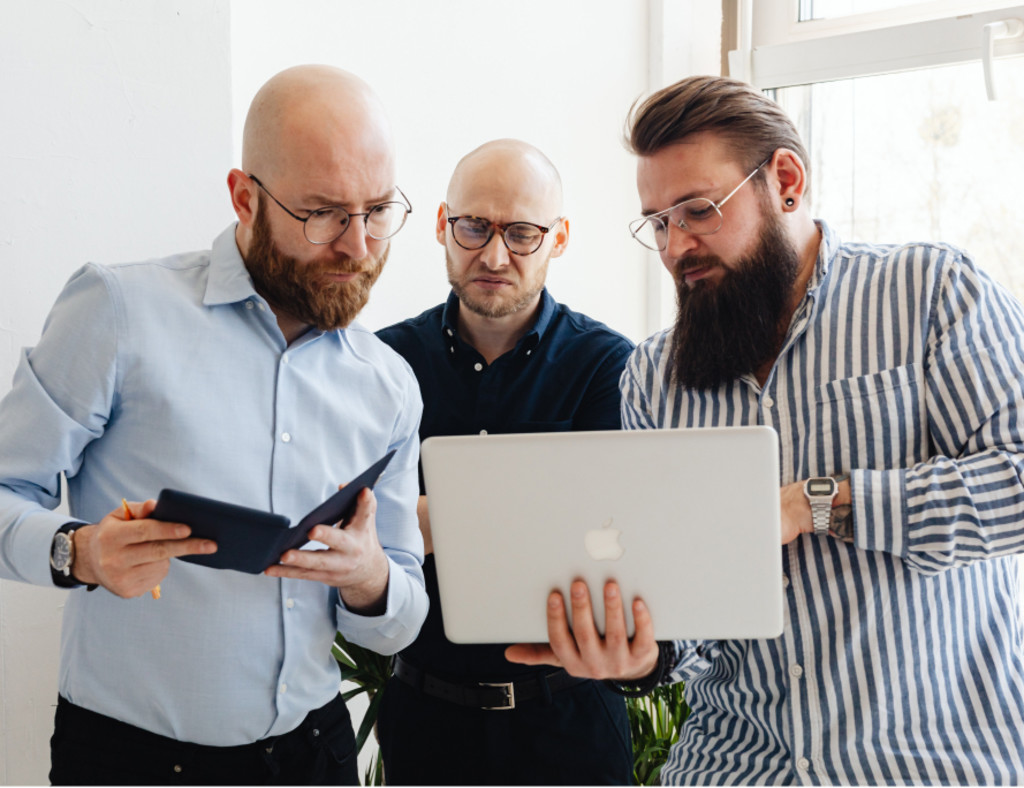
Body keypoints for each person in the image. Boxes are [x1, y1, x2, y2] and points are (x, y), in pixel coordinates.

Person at [508, 75, 1024, 784]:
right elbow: (677, 599)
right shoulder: (653, 377)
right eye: (657, 222)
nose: (675, 246)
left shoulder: (931, 292)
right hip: (737, 765)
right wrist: (643, 658)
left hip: (930, 763)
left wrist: (813, 504)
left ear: (784, 181)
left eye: (697, 210)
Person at [0, 65, 429, 786]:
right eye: (322, 214)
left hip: (314, 755)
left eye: (377, 210)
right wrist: (81, 553)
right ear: (244, 198)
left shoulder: (388, 384)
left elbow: (398, 616)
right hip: (131, 762)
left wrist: (370, 576)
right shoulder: (116, 311)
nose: (357, 246)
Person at [375, 138, 636, 785]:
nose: (494, 255)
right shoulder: (380, 366)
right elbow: (348, 526)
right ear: (441, 225)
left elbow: (614, 531)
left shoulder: (610, 365)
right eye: (474, 227)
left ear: (560, 238)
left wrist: (421, 519)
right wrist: (532, 513)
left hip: (571, 725)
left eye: (522, 233)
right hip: (423, 720)